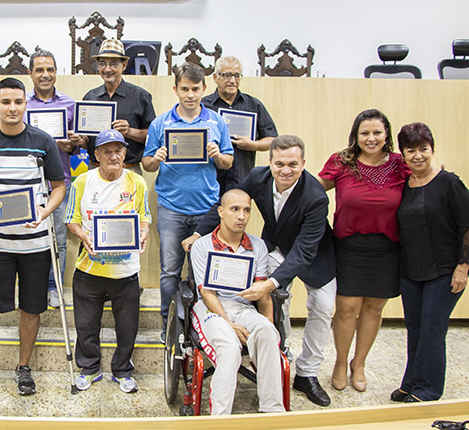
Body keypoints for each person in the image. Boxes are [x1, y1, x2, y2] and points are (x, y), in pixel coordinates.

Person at [183, 135, 337, 407]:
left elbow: (303, 252)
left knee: (322, 307)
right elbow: (228, 203)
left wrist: (268, 287)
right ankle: (277, 354)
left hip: (312, 253)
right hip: (275, 245)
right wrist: (198, 234)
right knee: (279, 308)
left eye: (292, 164)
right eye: (279, 164)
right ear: (270, 162)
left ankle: (307, 373)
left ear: (303, 163)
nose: (285, 170)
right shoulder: (258, 177)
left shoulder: (315, 196)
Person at [0, 77, 65, 396]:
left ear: (26, 104)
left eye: (18, 102)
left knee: (32, 307)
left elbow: (58, 188)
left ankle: (23, 367)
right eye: (6, 102)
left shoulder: (43, 142)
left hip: (35, 243)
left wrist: (44, 213)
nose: (12, 108)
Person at [317, 109, 410, 394]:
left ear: (386, 135)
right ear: (356, 136)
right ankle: (341, 362)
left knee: (374, 307)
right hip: (349, 246)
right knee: (346, 308)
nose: (371, 138)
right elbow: (314, 190)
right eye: (364, 133)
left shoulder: (399, 163)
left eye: (377, 133)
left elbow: (423, 180)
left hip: (386, 247)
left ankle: (360, 364)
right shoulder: (341, 161)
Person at [142, 62, 234, 342]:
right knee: (169, 272)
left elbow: (228, 162)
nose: (190, 94)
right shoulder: (161, 123)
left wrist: (218, 155)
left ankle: (200, 325)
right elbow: (146, 164)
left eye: (195, 89)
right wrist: (155, 158)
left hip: (207, 209)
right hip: (171, 208)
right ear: (176, 89)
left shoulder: (217, 122)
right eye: (185, 89)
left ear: (204, 89)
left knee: (204, 273)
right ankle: (169, 324)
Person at [65, 129, 151, 393]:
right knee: (86, 325)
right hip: (89, 268)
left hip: (125, 271)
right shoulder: (82, 181)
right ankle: (89, 368)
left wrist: (145, 231)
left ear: (125, 153)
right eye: (107, 151)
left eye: (119, 150)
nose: (114, 156)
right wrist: (83, 235)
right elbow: (71, 220)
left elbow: (144, 215)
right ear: (97, 155)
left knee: (127, 327)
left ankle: (123, 370)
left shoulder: (137, 182)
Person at [392, 123, 469, 403]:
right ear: (403, 154)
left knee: (432, 328)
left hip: (445, 270)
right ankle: (411, 382)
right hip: (412, 271)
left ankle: (428, 389)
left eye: (423, 149)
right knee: (414, 328)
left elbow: (467, 224)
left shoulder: (449, 182)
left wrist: (464, 266)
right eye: (410, 150)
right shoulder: (405, 186)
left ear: (432, 149)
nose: (418, 156)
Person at [189, 189, 284, 415]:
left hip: (243, 307)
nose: (241, 216)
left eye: (246, 210)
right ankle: (220, 418)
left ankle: (273, 410)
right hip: (210, 308)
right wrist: (230, 325)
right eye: (235, 209)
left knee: (269, 333)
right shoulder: (203, 246)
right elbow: (207, 293)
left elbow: (261, 291)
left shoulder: (258, 246)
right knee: (230, 347)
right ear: (221, 212)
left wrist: (268, 324)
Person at [26, 48, 82, 308]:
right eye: (39, 69)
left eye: (49, 69)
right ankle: (32, 288)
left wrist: (74, 145)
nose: (45, 75)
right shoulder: (22, 105)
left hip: (60, 183)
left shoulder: (71, 105)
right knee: (30, 237)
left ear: (56, 73)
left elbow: (79, 147)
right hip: (28, 185)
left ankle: (55, 286)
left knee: (58, 238)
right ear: (30, 73)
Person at [202, 56, 278, 193]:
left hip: (243, 178)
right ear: (215, 77)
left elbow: (272, 140)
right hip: (210, 181)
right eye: (226, 75)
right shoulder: (203, 106)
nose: (232, 80)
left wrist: (254, 145)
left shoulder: (254, 105)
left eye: (237, 75)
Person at [81, 39, 156, 172]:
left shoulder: (140, 96)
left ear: (124, 65)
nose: (107, 69)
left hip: (129, 169)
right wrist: (81, 141)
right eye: (102, 64)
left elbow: (153, 136)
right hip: (95, 169)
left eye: (114, 64)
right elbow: (87, 142)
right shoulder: (90, 97)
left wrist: (129, 132)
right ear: (97, 66)